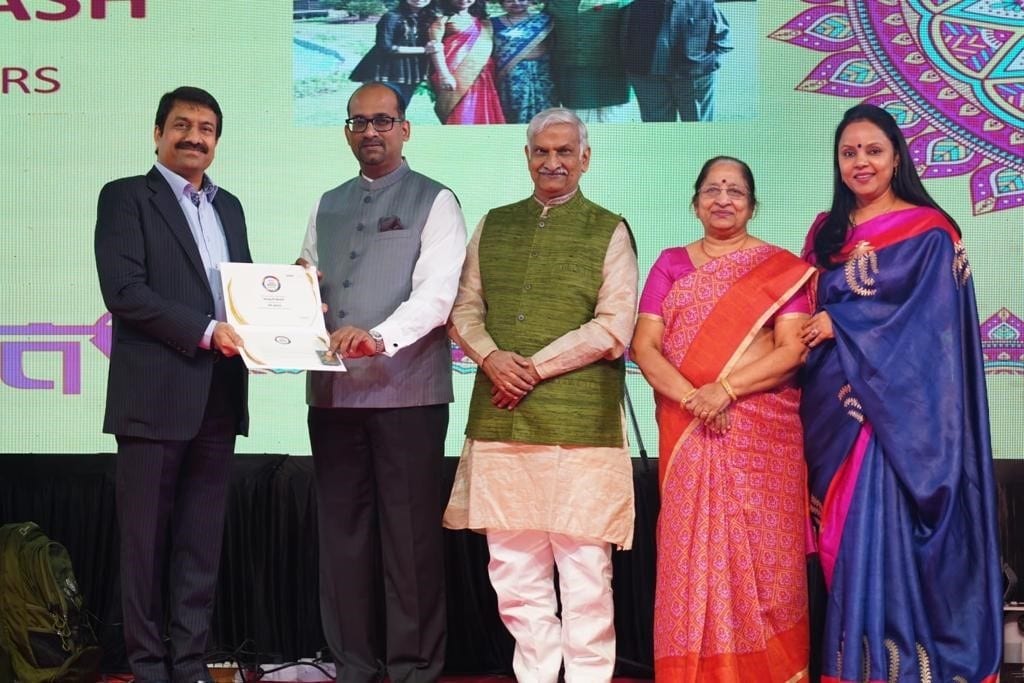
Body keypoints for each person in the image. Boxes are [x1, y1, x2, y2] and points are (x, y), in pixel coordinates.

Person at [798, 103, 1002, 681]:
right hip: (828, 414)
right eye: (848, 152)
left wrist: (847, 324)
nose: (860, 162)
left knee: (876, 539)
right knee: (838, 540)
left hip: (891, 423)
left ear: (896, 157)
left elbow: (935, 330)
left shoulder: (929, 232)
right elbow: (799, 306)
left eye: (872, 150)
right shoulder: (826, 232)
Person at [443, 107, 637, 682]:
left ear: (585, 158)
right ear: (526, 157)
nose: (552, 162)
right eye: (541, 152)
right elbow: (464, 308)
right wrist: (492, 358)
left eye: (564, 152)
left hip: (581, 431)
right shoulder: (494, 224)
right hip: (504, 425)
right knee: (514, 574)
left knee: (584, 575)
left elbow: (613, 326)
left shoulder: (609, 228)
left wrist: (532, 368)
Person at [298, 82, 467, 682]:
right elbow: (308, 283)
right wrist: (287, 307)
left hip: (408, 395)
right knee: (341, 537)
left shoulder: (435, 200)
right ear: (347, 131)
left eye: (383, 121)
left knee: (410, 542)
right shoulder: (328, 202)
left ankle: (414, 669)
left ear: (405, 128)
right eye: (359, 122)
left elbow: (438, 295)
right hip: (333, 395)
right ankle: (354, 666)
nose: (371, 132)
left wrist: (378, 336)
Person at [630, 156, 814, 680]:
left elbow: (792, 350)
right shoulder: (670, 264)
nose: (723, 199)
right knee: (692, 561)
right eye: (712, 189)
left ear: (752, 204)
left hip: (761, 435)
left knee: (766, 562)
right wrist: (696, 400)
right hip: (690, 429)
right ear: (695, 202)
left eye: (735, 190)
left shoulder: (780, 270)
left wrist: (726, 390)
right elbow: (645, 345)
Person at [94, 86, 251, 683]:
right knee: (144, 546)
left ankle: (188, 664)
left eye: (206, 127)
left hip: (218, 397)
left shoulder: (229, 206)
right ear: (158, 133)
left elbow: (241, 290)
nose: (194, 136)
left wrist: (279, 306)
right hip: (154, 398)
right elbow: (126, 292)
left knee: (199, 546)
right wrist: (209, 331)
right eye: (181, 125)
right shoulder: (127, 198)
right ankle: (148, 665)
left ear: (216, 140)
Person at [620, 0, 731, 122]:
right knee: (658, 132)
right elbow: (624, 40)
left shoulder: (704, 4)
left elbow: (723, 40)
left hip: (694, 79)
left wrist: (707, 65)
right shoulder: (637, 5)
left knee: (698, 128)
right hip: (649, 81)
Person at [544, 0, 630, 123]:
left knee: (613, 120)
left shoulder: (621, 2)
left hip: (612, 73)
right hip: (573, 74)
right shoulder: (554, 4)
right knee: (580, 122)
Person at [348, 0, 439, 107]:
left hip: (411, 73)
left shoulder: (429, 18)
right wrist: (424, 50)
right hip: (385, 72)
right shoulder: (391, 17)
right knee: (381, 110)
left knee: (399, 110)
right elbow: (385, 47)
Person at [427, 0, 505, 124]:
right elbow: (435, 48)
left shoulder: (483, 22)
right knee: (462, 112)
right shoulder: (442, 20)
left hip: (482, 75)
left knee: (482, 109)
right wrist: (444, 75)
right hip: (455, 75)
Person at [491, 0, 555, 123]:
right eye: (509, 0)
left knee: (546, 108)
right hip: (511, 75)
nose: (516, 3)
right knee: (515, 108)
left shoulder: (543, 20)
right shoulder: (493, 23)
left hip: (541, 72)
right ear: (501, 3)